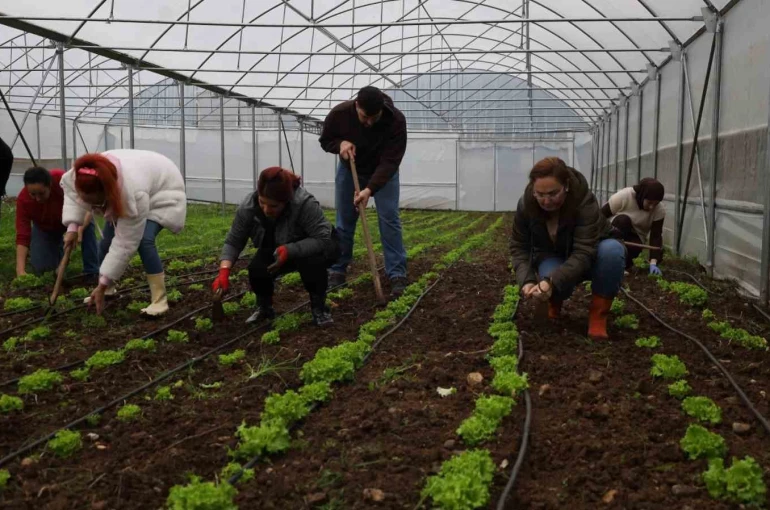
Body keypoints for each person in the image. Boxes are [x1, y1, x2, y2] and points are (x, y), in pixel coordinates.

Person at [510, 157, 626, 340]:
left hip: (593, 254)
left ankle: (598, 316)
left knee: (612, 251)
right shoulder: (526, 206)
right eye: (540, 194)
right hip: (553, 254)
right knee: (554, 283)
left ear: (566, 186)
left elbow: (584, 251)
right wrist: (527, 281)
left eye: (553, 193)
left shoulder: (584, 202)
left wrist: (552, 281)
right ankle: (553, 303)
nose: (546, 201)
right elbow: (519, 247)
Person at [61, 150, 187, 316]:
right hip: (137, 182)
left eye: (96, 203)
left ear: (107, 193)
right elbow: (73, 197)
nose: (92, 207)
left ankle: (159, 300)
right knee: (106, 243)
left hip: (163, 191)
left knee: (144, 240)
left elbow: (125, 243)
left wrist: (102, 283)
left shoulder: (133, 193)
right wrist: (72, 227)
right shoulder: (80, 176)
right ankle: (108, 289)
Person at [212, 167, 340, 326]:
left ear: (286, 202)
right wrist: (224, 271)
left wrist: (290, 250)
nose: (266, 210)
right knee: (257, 270)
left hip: (313, 244)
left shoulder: (304, 204)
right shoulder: (249, 206)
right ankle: (264, 308)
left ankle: (319, 308)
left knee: (312, 264)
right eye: (262, 202)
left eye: (273, 206)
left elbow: (322, 238)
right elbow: (234, 241)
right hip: (277, 244)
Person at [319, 85, 408, 297]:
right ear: (356, 105)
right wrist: (340, 144)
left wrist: (369, 189)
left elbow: (391, 161)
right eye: (364, 117)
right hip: (351, 170)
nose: (368, 122)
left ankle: (397, 274)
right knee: (345, 220)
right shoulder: (340, 114)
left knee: (389, 219)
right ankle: (337, 271)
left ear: (382, 110)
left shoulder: (396, 120)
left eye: (373, 118)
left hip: (384, 173)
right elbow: (325, 141)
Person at [15, 167, 99, 278]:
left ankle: (92, 271)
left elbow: (85, 203)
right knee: (43, 268)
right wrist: (20, 270)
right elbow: (22, 235)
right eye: (33, 194)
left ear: (50, 185)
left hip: (73, 218)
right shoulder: (23, 200)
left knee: (86, 224)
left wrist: (79, 229)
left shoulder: (61, 179)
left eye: (41, 193)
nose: (38, 199)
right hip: (45, 228)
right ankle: (59, 260)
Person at [602, 178, 666, 276]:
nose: (652, 207)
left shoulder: (659, 211)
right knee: (623, 221)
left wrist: (653, 263)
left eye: (656, 204)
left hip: (636, 236)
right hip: (614, 231)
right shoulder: (624, 196)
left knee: (635, 246)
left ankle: (622, 266)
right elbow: (601, 215)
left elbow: (656, 236)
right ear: (641, 196)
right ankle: (608, 260)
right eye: (649, 202)